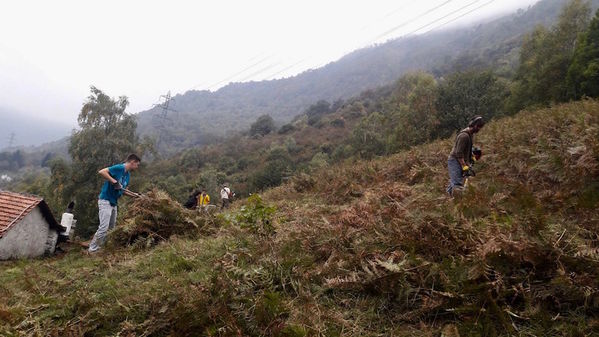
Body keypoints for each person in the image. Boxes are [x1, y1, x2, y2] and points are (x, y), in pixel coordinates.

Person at [88, 154, 141, 253]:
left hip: (113, 203)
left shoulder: (127, 174)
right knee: (104, 227)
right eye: (137, 165)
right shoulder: (120, 168)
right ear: (132, 162)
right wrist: (114, 181)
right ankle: (92, 250)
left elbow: (123, 190)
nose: (137, 167)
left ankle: (102, 248)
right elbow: (102, 171)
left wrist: (135, 195)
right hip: (105, 200)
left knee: (111, 229)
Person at [446, 116, 485, 197]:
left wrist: (472, 156)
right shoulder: (464, 136)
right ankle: (457, 204)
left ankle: (448, 198)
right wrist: (464, 165)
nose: (478, 129)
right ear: (473, 124)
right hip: (455, 161)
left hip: (460, 160)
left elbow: (467, 148)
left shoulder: (470, 135)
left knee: (455, 181)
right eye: (478, 126)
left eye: (480, 127)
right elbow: (458, 152)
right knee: (457, 184)